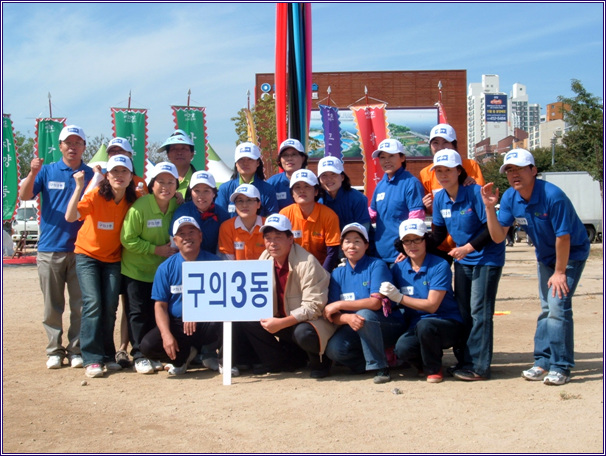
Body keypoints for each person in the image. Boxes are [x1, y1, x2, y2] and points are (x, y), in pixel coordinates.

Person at [481, 148, 589, 386]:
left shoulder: (553, 196)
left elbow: (564, 237)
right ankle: (542, 362)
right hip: (546, 256)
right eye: (509, 170)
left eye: (519, 169)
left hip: (571, 254)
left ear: (533, 170)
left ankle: (561, 366)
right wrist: (490, 207)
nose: (513, 174)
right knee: (546, 308)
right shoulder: (510, 197)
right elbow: (498, 237)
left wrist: (560, 273)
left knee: (558, 307)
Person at [18, 125, 94, 369]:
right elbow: (25, 195)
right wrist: (32, 172)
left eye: (77, 143)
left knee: (80, 305)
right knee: (52, 305)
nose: (73, 147)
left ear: (84, 146)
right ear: (60, 146)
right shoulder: (47, 171)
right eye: (68, 143)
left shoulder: (92, 174)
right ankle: (54, 349)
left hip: (82, 250)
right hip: (50, 248)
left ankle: (75, 349)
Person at [430, 149, 505, 381]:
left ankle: (479, 367)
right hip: (464, 260)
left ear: (459, 171)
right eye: (439, 170)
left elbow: (489, 231)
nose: (443, 175)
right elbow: (438, 235)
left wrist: (467, 248)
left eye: (448, 170)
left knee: (479, 311)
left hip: (486, 258)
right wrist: (410, 251)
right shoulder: (440, 198)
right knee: (463, 311)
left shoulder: (474, 193)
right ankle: (464, 361)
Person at [234, 214, 335, 378]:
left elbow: (314, 307)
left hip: (306, 322)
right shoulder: (264, 258)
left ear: (290, 239)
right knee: (246, 318)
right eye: (268, 238)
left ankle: (321, 362)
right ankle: (281, 362)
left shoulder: (307, 262)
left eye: (278, 237)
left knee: (304, 333)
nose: (272, 243)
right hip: (281, 320)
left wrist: (281, 323)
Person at [65, 155, 137, 378]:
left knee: (109, 306)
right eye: (114, 171)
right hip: (88, 256)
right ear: (107, 175)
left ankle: (108, 354)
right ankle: (92, 358)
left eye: (124, 171)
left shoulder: (133, 200)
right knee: (93, 303)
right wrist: (79, 187)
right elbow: (70, 216)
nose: (119, 176)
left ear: (130, 176)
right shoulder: (97, 194)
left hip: (113, 259)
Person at [379, 219, 464, 383]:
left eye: (417, 239)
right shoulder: (398, 268)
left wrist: (399, 297)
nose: (412, 245)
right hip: (416, 324)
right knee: (402, 349)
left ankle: (434, 368)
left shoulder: (440, 265)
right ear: (401, 244)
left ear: (426, 240)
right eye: (407, 240)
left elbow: (432, 306)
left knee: (426, 325)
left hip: (446, 322)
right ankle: (423, 365)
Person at [323, 223, 406, 384]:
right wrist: (346, 318)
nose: (352, 246)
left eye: (357, 241)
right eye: (347, 241)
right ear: (342, 246)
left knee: (365, 315)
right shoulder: (337, 273)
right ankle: (378, 361)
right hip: (355, 325)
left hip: (386, 324)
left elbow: (375, 303)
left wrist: (340, 305)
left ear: (366, 245)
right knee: (334, 350)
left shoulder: (377, 265)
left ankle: (380, 366)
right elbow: (332, 314)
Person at [140, 216, 222, 375]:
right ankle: (182, 358)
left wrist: (195, 311)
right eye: (182, 234)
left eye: (192, 232)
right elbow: (160, 305)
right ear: (175, 240)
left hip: (206, 322)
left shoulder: (215, 263)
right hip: (178, 324)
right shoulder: (165, 268)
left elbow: (223, 301)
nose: (187, 237)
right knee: (148, 345)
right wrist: (166, 335)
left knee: (227, 321)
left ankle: (219, 359)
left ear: (200, 236)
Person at [120, 161, 180, 374]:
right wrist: (156, 250)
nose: (166, 186)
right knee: (138, 313)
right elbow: (127, 239)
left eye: (171, 182)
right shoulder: (140, 207)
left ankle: (156, 354)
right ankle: (138, 355)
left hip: (161, 272)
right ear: (151, 185)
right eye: (161, 182)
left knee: (161, 313)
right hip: (136, 270)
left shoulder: (176, 206)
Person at [419, 124, 485, 258]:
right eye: (435, 143)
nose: (440, 147)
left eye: (445, 142)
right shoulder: (425, 173)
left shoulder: (470, 165)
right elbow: (429, 209)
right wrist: (427, 207)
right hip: (441, 241)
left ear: (454, 144)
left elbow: (481, 201)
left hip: (470, 242)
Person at [369, 139, 425, 264]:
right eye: (382, 157)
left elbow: (416, 219)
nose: (386, 160)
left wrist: (407, 249)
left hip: (401, 256)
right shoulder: (380, 185)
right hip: (379, 254)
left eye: (391, 156)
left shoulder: (411, 183)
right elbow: (372, 215)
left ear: (402, 158)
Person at [279, 169, 341, 271]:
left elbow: (332, 252)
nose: (302, 190)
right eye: (297, 187)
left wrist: (322, 276)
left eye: (307, 186)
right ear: (292, 193)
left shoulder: (329, 215)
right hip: (292, 270)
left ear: (316, 191)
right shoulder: (284, 215)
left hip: (320, 269)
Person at [170, 170, 229, 255]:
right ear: (191, 192)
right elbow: (173, 245)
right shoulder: (182, 212)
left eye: (206, 191)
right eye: (197, 191)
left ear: (214, 193)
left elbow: (224, 248)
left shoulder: (222, 215)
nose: (201, 196)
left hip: (213, 262)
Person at [216, 142, 279, 217]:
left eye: (250, 159)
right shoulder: (224, 189)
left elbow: (271, 219)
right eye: (241, 159)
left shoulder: (268, 189)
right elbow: (220, 218)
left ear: (258, 163)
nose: (245, 163)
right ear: (236, 163)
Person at [317, 156, 371, 232]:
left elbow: (364, 230)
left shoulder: (358, 199)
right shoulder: (318, 201)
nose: (329, 179)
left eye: (333, 174)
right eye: (324, 175)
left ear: (342, 177)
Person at [218, 184, 265, 261]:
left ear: (258, 204)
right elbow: (226, 262)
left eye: (249, 200)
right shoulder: (227, 227)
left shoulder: (268, 225)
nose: (244, 205)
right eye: (240, 201)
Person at [267, 138, 308, 210]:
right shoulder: (272, 183)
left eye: (294, 154)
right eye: (285, 155)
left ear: (303, 158)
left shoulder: (311, 181)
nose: (289, 158)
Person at [158, 130, 196, 200]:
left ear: (192, 154)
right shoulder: (157, 180)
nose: (179, 153)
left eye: (184, 149)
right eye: (174, 149)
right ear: (168, 155)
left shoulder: (200, 181)